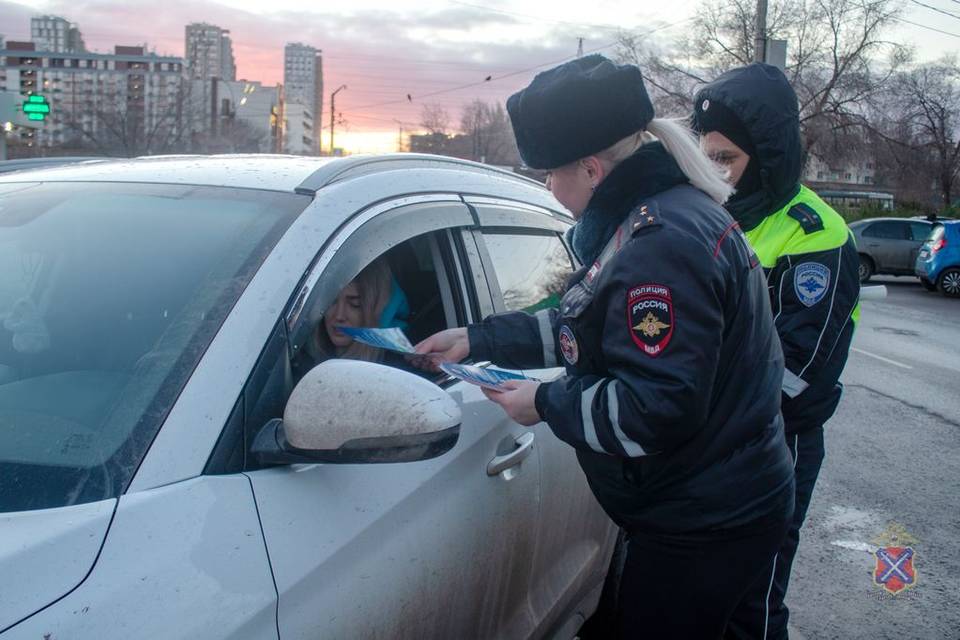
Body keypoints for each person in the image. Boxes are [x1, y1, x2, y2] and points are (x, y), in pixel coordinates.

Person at [415, 54, 795, 638]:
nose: (547, 187)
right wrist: (478, 337)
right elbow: (588, 331)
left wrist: (544, 405)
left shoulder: (658, 246)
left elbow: (656, 408)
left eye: (549, 173)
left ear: (591, 169)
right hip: (724, 503)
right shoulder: (658, 219)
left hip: (703, 525)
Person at [693, 63, 861, 640]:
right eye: (705, 156)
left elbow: (800, 374)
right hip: (699, 441)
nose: (713, 174)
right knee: (693, 597)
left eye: (725, 160)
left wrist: (693, 406)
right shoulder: (705, 217)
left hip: (772, 446)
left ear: (766, 156)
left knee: (751, 601)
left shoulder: (816, 233)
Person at [292, 256, 410, 379]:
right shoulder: (297, 357)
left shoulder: (395, 373)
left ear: (378, 311)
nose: (339, 315)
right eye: (331, 302)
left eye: (355, 305)